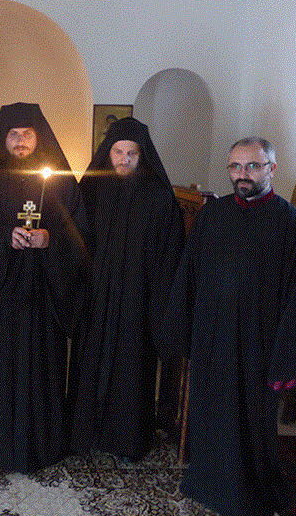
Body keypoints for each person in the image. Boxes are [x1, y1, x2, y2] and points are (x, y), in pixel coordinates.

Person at [164, 137, 296, 516]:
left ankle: (250, 489)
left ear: (272, 169)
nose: (243, 174)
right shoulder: (212, 215)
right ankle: (208, 481)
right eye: (235, 166)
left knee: (250, 416)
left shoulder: (294, 225)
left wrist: (286, 356)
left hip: (259, 342)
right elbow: (190, 274)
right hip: (212, 335)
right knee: (211, 411)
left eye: (253, 166)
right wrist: (183, 330)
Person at [0, 102, 89, 473]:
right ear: (3, 138)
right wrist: (4, 238)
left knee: (42, 369)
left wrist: (51, 239)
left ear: (38, 136)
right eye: (13, 134)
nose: (20, 140)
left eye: (27, 133)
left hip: (44, 296)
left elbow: (82, 235)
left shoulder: (60, 180)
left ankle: (43, 443)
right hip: (1, 297)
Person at [68, 116, 184, 460]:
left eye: (132, 153)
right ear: (109, 152)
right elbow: (73, 240)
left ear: (142, 155)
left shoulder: (160, 198)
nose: (124, 159)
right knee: (90, 362)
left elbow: (169, 257)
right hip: (96, 295)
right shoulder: (90, 190)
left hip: (138, 299)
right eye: (118, 152)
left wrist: (159, 305)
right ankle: (84, 434)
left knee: (131, 369)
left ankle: (127, 439)